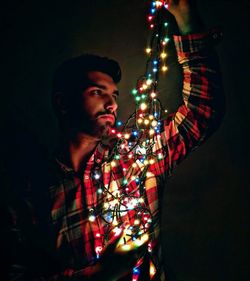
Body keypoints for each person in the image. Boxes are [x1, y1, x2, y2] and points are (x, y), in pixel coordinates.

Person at [1, 0, 224, 280]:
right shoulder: (29, 190)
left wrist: (185, 16)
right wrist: (101, 274)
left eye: (114, 95)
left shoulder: (137, 158)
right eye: (97, 92)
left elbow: (201, 113)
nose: (112, 104)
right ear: (63, 103)